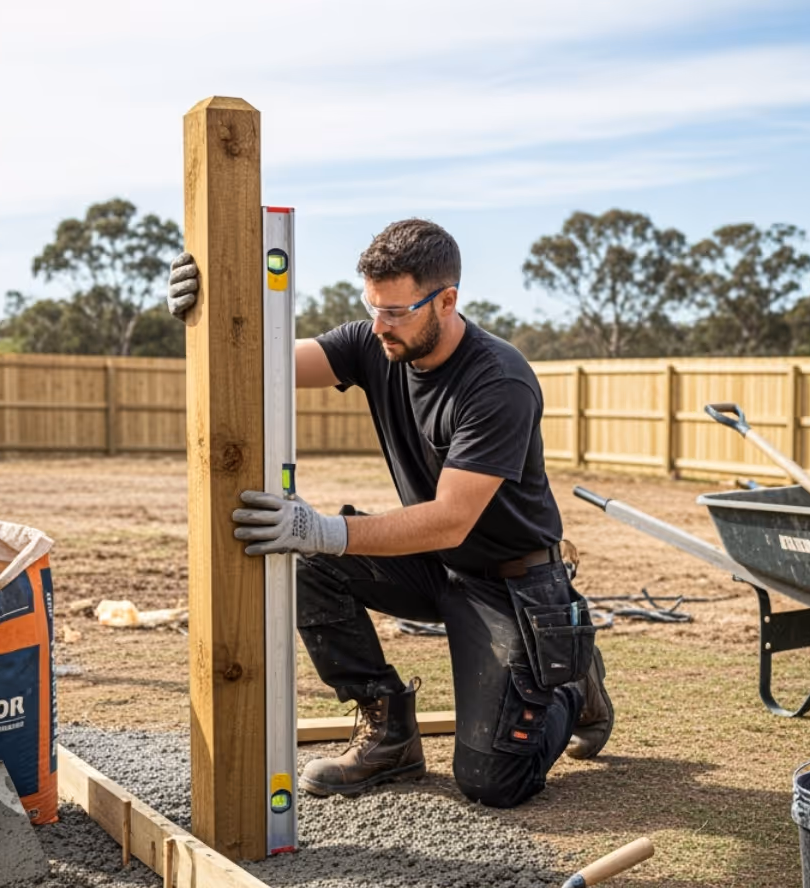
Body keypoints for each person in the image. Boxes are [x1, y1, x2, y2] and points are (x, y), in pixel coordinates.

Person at [166, 219, 611, 808]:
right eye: (373, 308)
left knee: (493, 782)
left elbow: (452, 517)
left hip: (513, 584)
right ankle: (390, 729)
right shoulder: (372, 343)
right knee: (309, 563)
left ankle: (572, 685)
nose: (380, 326)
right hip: (435, 566)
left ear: (447, 300)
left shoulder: (497, 381)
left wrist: (327, 528)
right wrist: (208, 317)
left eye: (396, 311)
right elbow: (261, 364)